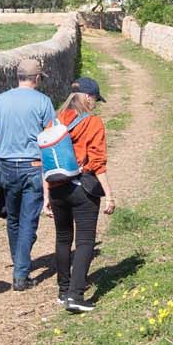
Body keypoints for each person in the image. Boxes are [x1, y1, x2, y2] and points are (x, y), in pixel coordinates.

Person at [42, 76, 114, 314]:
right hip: (82, 189)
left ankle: (63, 292)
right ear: (87, 97)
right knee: (85, 242)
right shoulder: (93, 123)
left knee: (63, 239)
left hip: (57, 188)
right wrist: (110, 195)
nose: (95, 104)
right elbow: (97, 163)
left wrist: (46, 197)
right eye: (95, 99)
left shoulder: (54, 121)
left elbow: (45, 163)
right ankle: (76, 295)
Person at [0, 58, 57, 291]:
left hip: (7, 164)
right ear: (37, 78)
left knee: (13, 217)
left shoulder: (2, 99)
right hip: (33, 165)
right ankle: (21, 275)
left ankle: (19, 263)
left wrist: (5, 143)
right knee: (28, 220)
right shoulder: (43, 102)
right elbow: (50, 137)